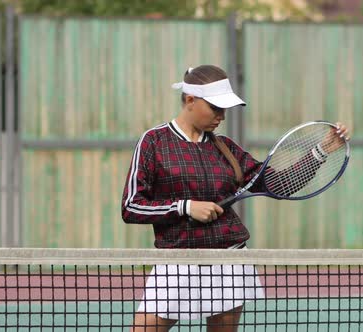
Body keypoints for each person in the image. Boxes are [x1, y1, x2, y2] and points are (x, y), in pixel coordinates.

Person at [121, 65, 350, 331]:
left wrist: (321, 151)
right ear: (190, 100)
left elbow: (279, 184)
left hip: (230, 261)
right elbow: (131, 206)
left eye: (225, 109)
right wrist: (185, 207)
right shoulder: (154, 142)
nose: (221, 116)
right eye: (215, 108)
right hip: (177, 262)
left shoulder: (225, 148)